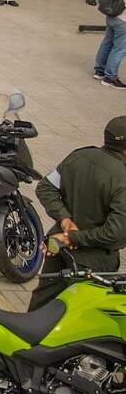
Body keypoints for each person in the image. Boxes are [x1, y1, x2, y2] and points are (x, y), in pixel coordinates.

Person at [29, 117, 126, 311]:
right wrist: (71, 237)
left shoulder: (79, 156)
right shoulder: (122, 178)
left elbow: (45, 187)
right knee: (79, 313)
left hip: (56, 245)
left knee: (43, 302)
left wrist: (65, 220)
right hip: (93, 260)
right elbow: (114, 233)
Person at [94, 0, 126, 87]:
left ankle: (99, 70)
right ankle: (110, 77)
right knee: (120, 49)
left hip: (112, 16)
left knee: (107, 43)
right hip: (123, 21)